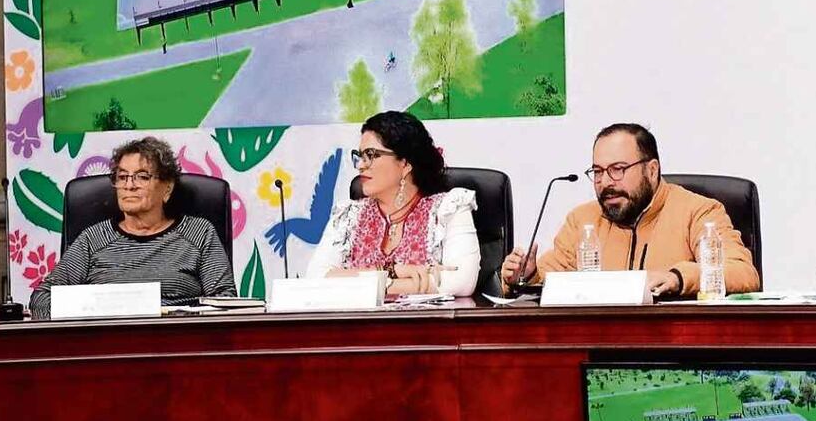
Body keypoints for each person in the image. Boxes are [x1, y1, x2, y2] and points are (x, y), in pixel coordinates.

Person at [501, 123, 760, 297]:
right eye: (598, 171)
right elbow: (552, 278)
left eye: (618, 169)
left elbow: (743, 273)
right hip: (598, 348)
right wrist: (529, 276)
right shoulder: (583, 220)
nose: (605, 182)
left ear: (652, 170)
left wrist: (678, 278)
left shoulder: (699, 212)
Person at [29, 136, 235, 318]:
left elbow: (225, 302)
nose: (129, 186)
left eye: (142, 177)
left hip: (177, 346)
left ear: (167, 188)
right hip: (104, 346)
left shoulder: (198, 233)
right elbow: (41, 300)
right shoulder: (93, 239)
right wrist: (93, 311)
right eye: (122, 177)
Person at [306, 111, 480, 296]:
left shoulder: (449, 209)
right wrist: (391, 272)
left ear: (405, 164)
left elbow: (462, 282)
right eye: (360, 156)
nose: (360, 166)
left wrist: (359, 284)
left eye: (371, 155)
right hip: (358, 324)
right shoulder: (348, 216)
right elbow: (316, 278)